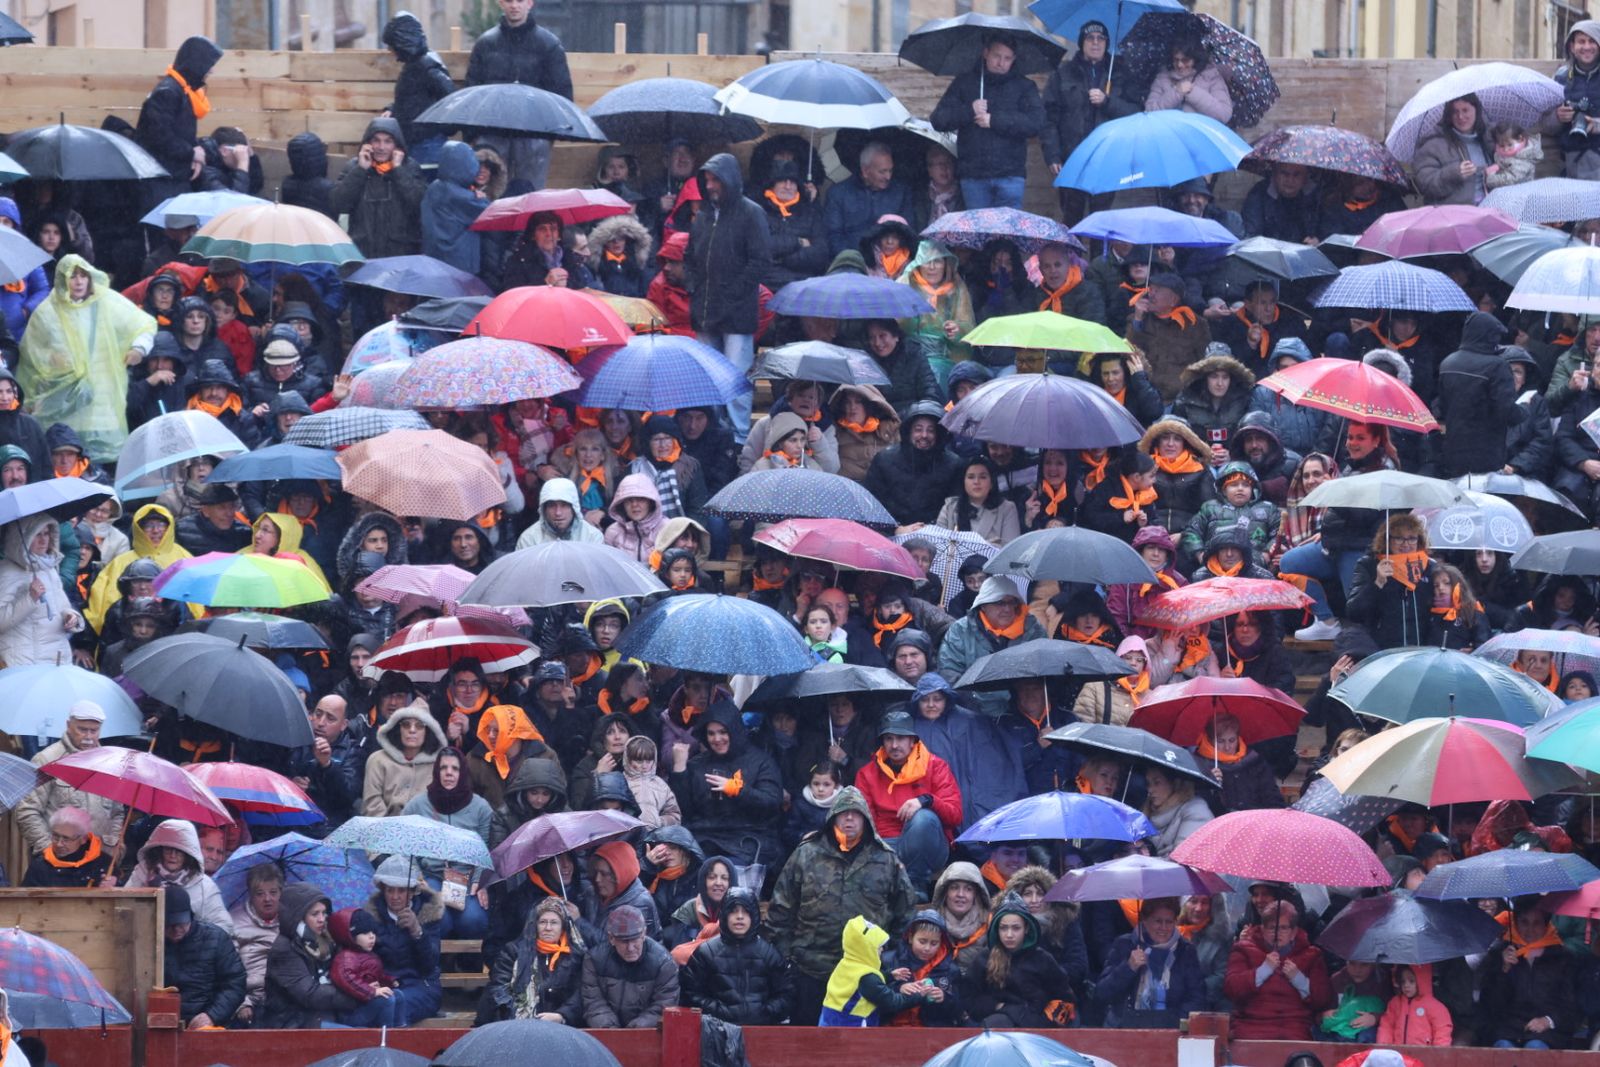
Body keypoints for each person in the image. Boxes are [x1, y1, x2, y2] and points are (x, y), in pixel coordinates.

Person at [769, 786, 917, 1027]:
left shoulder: (885, 859)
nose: (849, 818)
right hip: (811, 967)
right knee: (806, 1043)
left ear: (866, 818)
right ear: (833, 817)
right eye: (843, 813)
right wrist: (786, 955)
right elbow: (781, 908)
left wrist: (888, 956)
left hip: (864, 976)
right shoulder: (807, 854)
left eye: (856, 813)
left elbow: (906, 913)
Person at [19, 255, 155, 464]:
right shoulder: (47, 312)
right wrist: (50, 359)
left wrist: (139, 348)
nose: (79, 281)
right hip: (64, 405)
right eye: (73, 276)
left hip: (103, 402)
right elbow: (31, 353)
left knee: (102, 466)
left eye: (83, 275)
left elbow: (143, 325)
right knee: (65, 461)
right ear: (62, 279)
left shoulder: (107, 303)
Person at [686, 154, 771, 444]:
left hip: (736, 313)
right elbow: (689, 258)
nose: (710, 185)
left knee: (736, 379)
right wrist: (693, 287)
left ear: (729, 179)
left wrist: (735, 292)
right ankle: (712, 435)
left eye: (714, 179)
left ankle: (738, 439)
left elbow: (760, 260)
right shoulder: (703, 216)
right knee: (707, 379)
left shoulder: (751, 213)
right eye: (707, 179)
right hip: (705, 311)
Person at [465, 0, 572, 191]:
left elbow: (562, 92)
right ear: (500, 3)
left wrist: (551, 134)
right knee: (488, 194)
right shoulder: (485, 44)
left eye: (520, 0)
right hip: (492, 131)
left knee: (529, 194)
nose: (514, 5)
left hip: (534, 133)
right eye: (508, 0)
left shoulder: (548, 44)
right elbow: (472, 90)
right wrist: (472, 134)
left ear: (530, 3)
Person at [853, 710, 961, 896]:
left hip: (929, 848)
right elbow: (866, 820)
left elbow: (955, 815)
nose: (894, 745)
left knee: (924, 818)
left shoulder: (936, 766)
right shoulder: (867, 774)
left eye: (901, 738)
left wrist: (926, 800)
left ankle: (915, 883)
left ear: (913, 741)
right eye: (889, 739)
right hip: (887, 845)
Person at [929, 34, 1044, 210]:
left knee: (1007, 234)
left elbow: (1036, 123)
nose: (1001, 63)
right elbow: (939, 120)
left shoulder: (1024, 87)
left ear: (1014, 59)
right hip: (974, 176)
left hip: (1010, 175)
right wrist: (970, 110)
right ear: (985, 53)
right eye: (997, 56)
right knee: (979, 234)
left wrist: (995, 120)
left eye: (1007, 58)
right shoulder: (965, 83)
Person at [668, 700, 783, 870]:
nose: (717, 739)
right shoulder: (697, 764)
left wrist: (738, 790)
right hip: (704, 837)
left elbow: (772, 802)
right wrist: (679, 770)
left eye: (723, 732)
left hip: (746, 839)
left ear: (734, 731)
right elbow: (684, 809)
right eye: (711, 733)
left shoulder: (761, 761)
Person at [1041, 20, 1138, 218]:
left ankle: (1098, 251)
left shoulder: (1121, 74)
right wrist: (1053, 155)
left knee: (1100, 220)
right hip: (1072, 158)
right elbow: (1048, 119)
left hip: (1107, 159)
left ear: (1107, 43)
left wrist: (1107, 102)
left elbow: (1136, 112)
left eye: (1101, 39)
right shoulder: (1062, 74)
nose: (1096, 43)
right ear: (1081, 42)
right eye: (1090, 38)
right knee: (1071, 219)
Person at [960, 891, 1075, 1028]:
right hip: (997, 1029)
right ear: (997, 929)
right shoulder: (984, 959)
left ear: (1026, 928)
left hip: (1038, 1029)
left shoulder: (1042, 959)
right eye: (1004, 928)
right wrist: (998, 1006)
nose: (1009, 935)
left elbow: (1065, 997)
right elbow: (968, 998)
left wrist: (1045, 1018)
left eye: (1016, 928)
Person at [681, 885, 791, 1025]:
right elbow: (689, 994)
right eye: (733, 911)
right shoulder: (705, 953)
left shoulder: (769, 954)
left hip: (761, 1032)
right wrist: (718, 1011)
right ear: (725, 915)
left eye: (745, 912)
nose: (739, 917)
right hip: (716, 1031)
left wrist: (764, 1012)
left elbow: (786, 995)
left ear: (754, 916)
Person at [1435, 311, 1526, 477]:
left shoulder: (1448, 363)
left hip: (1453, 448)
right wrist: (1523, 410)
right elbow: (1506, 411)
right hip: (1486, 453)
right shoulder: (1497, 366)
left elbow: (1441, 406)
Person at [135, 37, 224, 206]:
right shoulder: (168, 92)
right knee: (168, 230)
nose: (211, 70)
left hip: (173, 175)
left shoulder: (183, 91)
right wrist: (191, 153)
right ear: (197, 63)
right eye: (209, 64)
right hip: (161, 179)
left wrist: (194, 154)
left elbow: (178, 132)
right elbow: (158, 135)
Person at [1480, 899, 1579, 1048]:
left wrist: (1548, 1021)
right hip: (1508, 1029)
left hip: (1548, 1033)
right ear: (1516, 923)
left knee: (1535, 1048)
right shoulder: (1499, 954)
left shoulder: (1562, 957)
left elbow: (1570, 1005)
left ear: (1545, 925)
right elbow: (1490, 1006)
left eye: (1536, 923)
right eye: (1524, 922)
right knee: (1504, 1048)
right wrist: (1504, 970)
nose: (1530, 929)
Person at [1095, 897, 1206, 1028]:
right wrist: (1128, 967)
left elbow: (1197, 997)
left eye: (1169, 922)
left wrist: (1173, 1024)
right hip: (1125, 1029)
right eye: (1158, 921)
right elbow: (1102, 993)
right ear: (1145, 921)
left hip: (1170, 1031)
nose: (1163, 928)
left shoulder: (1186, 950)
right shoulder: (1125, 944)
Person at [362, 855, 444, 1026]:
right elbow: (366, 959)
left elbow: (430, 964)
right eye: (390, 890)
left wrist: (417, 931)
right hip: (386, 984)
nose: (395, 896)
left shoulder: (428, 913)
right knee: (378, 1005)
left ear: (413, 891)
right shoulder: (371, 915)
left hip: (421, 986)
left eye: (401, 890)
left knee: (397, 1006)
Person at [261, 884, 357, 1028]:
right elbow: (310, 995)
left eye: (324, 913)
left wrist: (366, 987)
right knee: (361, 1038)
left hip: (324, 1014)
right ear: (299, 917)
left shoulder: (327, 940)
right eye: (315, 914)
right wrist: (357, 995)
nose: (321, 919)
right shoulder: (284, 948)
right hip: (293, 1023)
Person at [480, 896, 586, 1024]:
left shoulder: (576, 956)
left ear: (563, 927)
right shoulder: (513, 951)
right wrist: (518, 1015)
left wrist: (562, 1015)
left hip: (563, 1025)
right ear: (535, 925)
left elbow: (581, 994)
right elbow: (499, 987)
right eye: (543, 922)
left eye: (554, 923)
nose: (548, 928)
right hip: (516, 1024)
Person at [862, 402, 964, 526]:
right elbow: (871, 503)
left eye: (930, 430)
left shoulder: (953, 465)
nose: (924, 435)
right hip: (892, 532)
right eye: (918, 429)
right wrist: (895, 529)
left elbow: (955, 508)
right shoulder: (884, 460)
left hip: (937, 533)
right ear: (908, 432)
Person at [163, 884, 247, 1031]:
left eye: (181, 923)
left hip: (207, 1024)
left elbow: (235, 983)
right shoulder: (151, 944)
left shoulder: (216, 938)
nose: (176, 930)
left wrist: (212, 1015)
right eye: (170, 925)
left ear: (190, 915)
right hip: (163, 1023)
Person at [580, 905, 679, 1029]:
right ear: (611, 938)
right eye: (624, 941)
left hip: (645, 1034)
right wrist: (610, 1030)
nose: (631, 948)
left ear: (644, 934)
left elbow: (663, 1005)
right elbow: (594, 1003)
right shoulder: (594, 959)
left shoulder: (663, 962)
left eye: (635, 940)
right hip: (606, 1031)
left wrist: (636, 1030)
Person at [126, 819, 233, 933]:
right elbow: (123, 911)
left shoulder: (204, 885)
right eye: (168, 849)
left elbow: (224, 926)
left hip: (188, 949)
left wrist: (194, 933)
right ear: (158, 850)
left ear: (188, 854)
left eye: (179, 851)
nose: (173, 855)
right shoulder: (141, 874)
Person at [818, 915, 926, 1027]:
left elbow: (857, 984)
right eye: (878, 946)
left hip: (829, 1022)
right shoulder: (868, 977)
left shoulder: (846, 963)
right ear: (866, 950)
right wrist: (919, 995)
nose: (882, 949)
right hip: (853, 1029)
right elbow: (893, 1002)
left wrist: (888, 975)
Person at [378, 11, 454, 162]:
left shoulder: (427, 67)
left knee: (422, 181)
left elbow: (450, 96)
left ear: (402, 43)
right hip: (418, 140)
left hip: (427, 143)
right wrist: (393, 109)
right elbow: (412, 97)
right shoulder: (416, 65)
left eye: (392, 45)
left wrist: (442, 129)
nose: (390, 50)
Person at [1127, 273, 1211, 400]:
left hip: (1181, 398)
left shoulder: (1196, 324)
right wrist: (1138, 319)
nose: (1151, 294)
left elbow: (1205, 361)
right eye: (1151, 289)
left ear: (1173, 300)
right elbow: (1128, 352)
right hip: (1145, 395)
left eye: (1158, 290)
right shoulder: (1138, 319)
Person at [825, 144, 916, 258]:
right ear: (865, 171)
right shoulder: (838, 193)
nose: (888, 177)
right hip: (851, 261)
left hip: (892, 262)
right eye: (882, 172)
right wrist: (854, 260)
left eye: (890, 170)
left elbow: (908, 232)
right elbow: (833, 236)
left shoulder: (901, 192)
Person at [362, 703, 447, 817]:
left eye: (420, 725)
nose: (412, 730)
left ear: (428, 731)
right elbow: (371, 806)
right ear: (398, 728)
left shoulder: (439, 766)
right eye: (406, 724)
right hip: (383, 829)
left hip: (425, 830)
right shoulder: (377, 760)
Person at [1193, 712, 1282, 813]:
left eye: (1232, 740)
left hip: (1255, 819)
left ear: (1238, 739)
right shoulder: (1198, 764)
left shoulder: (1255, 761)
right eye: (1220, 741)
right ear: (1210, 740)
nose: (1227, 747)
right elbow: (1197, 805)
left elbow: (1272, 797)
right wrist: (1208, 785)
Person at [420, 141, 486, 274]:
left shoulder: (434, 187)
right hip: (460, 263)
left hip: (433, 259)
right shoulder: (463, 197)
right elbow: (489, 212)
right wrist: (482, 198)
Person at [328, 908, 400, 1028]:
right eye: (365, 933)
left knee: (398, 995)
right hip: (352, 1013)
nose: (372, 936)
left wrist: (388, 981)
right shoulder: (345, 958)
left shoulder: (367, 954)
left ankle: (401, 1030)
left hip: (366, 1005)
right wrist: (372, 991)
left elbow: (374, 975)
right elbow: (349, 980)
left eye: (373, 931)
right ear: (351, 936)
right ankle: (387, 1035)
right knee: (387, 999)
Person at [1415, 94, 1492, 206]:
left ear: (1477, 110)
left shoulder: (1489, 138)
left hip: (1490, 211)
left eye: (1465, 110)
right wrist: (1453, 174)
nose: (1460, 116)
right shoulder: (1433, 145)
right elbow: (1425, 185)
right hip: (1452, 216)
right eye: (1455, 112)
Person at [1551, 20, 1600, 180]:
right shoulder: (1561, 77)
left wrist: (1597, 125)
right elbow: (1546, 122)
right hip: (1572, 163)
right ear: (1572, 46)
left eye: (1592, 41)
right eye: (1581, 41)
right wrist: (1558, 117)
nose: (1586, 47)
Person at [1144, 37, 1232, 123]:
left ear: (1196, 59)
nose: (1179, 65)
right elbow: (1149, 112)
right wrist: (1176, 93)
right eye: (1176, 60)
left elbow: (1223, 115)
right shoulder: (1163, 78)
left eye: (1185, 60)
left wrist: (1192, 92)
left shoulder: (1211, 77)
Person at [21, 805, 114, 888]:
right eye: (56, 836)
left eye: (66, 839)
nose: (59, 844)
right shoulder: (40, 865)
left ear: (83, 839)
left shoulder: (103, 863)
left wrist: (114, 884)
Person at [1241, 163, 1321, 243]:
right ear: (1274, 174)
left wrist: (1318, 240)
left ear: (1305, 177)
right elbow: (1251, 234)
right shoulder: (1259, 193)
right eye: (1284, 174)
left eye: (1296, 175)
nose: (1290, 180)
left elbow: (1327, 231)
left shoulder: (1316, 195)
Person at [1375, 963, 1451, 1046]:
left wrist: (1436, 1054)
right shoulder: (1395, 1003)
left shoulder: (1435, 1007)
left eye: (1411, 981)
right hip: (1398, 1055)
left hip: (1424, 1055)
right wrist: (1384, 1048)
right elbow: (1386, 1027)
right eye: (1403, 981)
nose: (1406, 985)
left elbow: (1442, 1031)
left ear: (1422, 980)